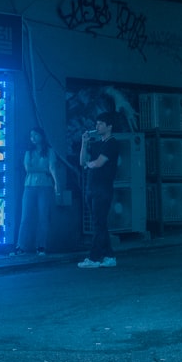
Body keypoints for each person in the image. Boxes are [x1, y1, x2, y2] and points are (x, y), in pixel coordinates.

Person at [78, 111, 119, 269]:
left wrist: (89, 164)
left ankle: (94, 257)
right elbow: (82, 161)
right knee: (100, 223)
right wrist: (84, 143)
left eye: (101, 123)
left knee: (98, 223)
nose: (97, 126)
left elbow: (100, 162)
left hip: (103, 188)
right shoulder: (96, 144)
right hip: (91, 187)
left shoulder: (112, 143)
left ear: (109, 126)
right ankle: (109, 256)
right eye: (97, 123)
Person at [11, 127, 60, 256]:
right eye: (31, 135)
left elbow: (52, 168)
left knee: (43, 217)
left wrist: (56, 183)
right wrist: (45, 170)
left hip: (45, 186)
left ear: (41, 136)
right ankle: (20, 246)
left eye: (35, 135)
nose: (32, 138)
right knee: (25, 217)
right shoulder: (29, 152)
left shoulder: (50, 151)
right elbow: (28, 168)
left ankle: (41, 246)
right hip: (29, 186)